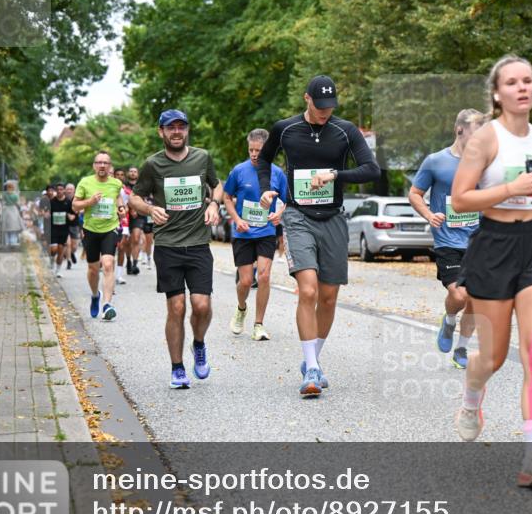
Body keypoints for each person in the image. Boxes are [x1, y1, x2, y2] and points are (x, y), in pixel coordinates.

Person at [450, 54, 532, 488]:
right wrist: (508, 189)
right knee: (494, 356)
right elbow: (460, 199)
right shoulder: (485, 139)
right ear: (497, 93)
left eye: (529, 81)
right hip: (494, 246)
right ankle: (471, 396)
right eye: (513, 83)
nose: (523, 88)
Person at [255, 75, 381, 398]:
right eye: (320, 106)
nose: (325, 112)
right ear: (306, 99)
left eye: (330, 107)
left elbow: (371, 169)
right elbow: (264, 159)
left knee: (328, 297)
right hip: (298, 217)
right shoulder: (285, 129)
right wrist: (267, 189)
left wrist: (336, 174)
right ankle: (311, 369)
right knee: (307, 291)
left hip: (334, 219)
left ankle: (313, 358)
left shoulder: (345, 131)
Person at [129, 109, 222, 390]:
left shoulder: (202, 158)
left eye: (181, 127)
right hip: (168, 245)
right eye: (171, 128)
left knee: (202, 305)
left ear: (187, 130)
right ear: (161, 132)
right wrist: (150, 208)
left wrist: (215, 204)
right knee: (177, 307)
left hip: (198, 245)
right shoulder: (152, 165)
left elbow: (217, 186)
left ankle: (199, 343)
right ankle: (177, 368)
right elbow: (134, 198)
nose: (177, 132)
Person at [410, 109, 487, 370]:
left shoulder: (485, 163)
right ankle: (450, 319)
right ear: (460, 130)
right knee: (459, 294)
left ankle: (462, 347)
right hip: (447, 241)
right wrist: (429, 214)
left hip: (479, 240)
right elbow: (415, 194)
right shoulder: (435, 161)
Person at [224, 129, 288, 341]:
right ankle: (241, 308)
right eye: (251, 150)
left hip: (266, 232)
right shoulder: (239, 171)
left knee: (264, 276)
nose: (254, 154)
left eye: (258, 150)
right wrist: (237, 218)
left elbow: (287, 201)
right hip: (243, 232)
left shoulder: (277, 174)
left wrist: (279, 213)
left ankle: (258, 324)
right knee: (245, 281)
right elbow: (226, 196)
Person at [71, 151, 125, 321]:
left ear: (109, 167)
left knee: (108, 264)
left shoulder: (116, 184)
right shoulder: (85, 183)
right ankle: (95, 295)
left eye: (105, 163)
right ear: (94, 165)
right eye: (99, 162)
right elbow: (74, 206)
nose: (102, 165)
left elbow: (118, 200)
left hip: (110, 228)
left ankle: (107, 304)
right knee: (93, 269)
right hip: (91, 230)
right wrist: (89, 202)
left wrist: (122, 210)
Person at [47, 183, 71, 277]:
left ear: (64, 190)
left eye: (61, 189)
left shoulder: (68, 202)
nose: (60, 191)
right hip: (53, 228)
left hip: (64, 230)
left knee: (61, 251)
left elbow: (73, 213)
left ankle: (58, 270)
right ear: (56, 191)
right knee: (54, 249)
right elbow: (47, 213)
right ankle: (52, 259)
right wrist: (47, 215)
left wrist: (71, 216)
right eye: (58, 189)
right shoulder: (52, 202)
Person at [125, 166, 144, 276]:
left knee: (136, 238)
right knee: (127, 241)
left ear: (137, 174)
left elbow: (143, 199)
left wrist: (137, 208)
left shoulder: (141, 186)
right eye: (131, 171)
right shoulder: (124, 186)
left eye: (134, 171)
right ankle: (128, 261)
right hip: (126, 215)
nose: (132, 173)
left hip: (138, 215)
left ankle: (135, 264)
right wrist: (130, 208)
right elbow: (121, 200)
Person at [63, 183, 80, 268]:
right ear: (65, 190)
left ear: (74, 190)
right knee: (67, 244)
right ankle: (69, 261)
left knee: (74, 247)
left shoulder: (76, 199)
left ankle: (72, 253)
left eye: (71, 189)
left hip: (74, 225)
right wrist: (67, 215)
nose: (69, 191)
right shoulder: (63, 199)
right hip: (64, 225)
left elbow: (77, 211)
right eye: (68, 189)